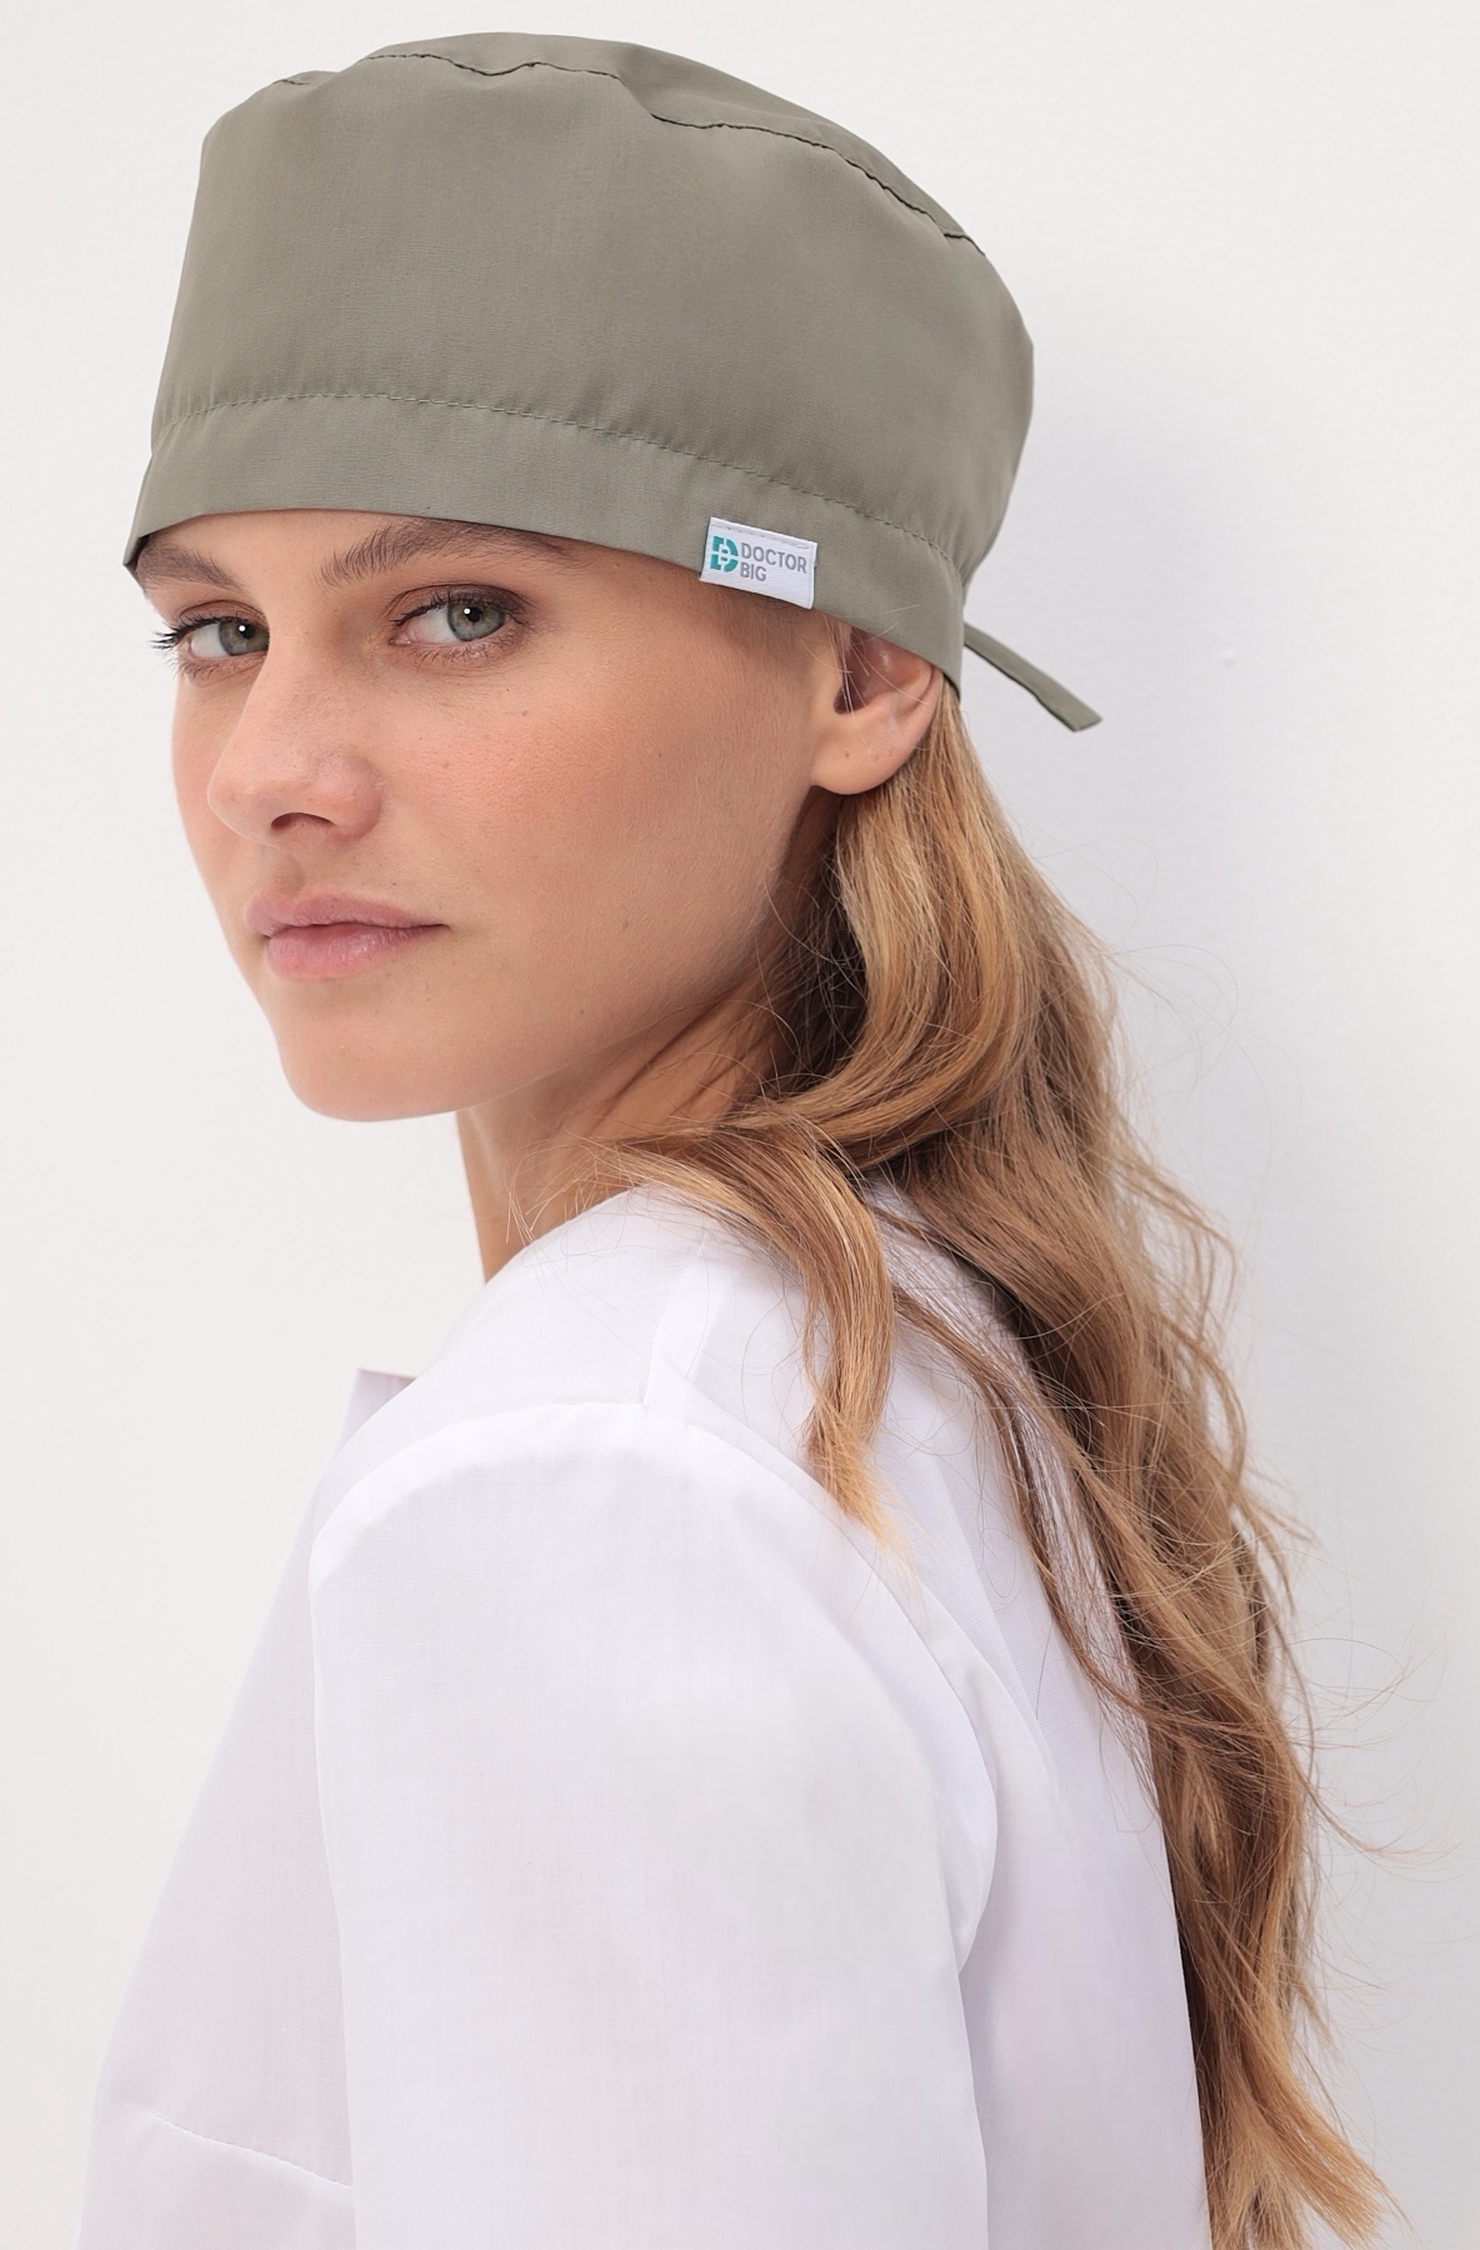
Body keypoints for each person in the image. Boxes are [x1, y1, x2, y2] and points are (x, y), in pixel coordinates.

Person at [75, 33, 1384, 2250]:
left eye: (457, 613)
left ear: (861, 674)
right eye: (217, 631)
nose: (269, 767)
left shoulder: (597, 1477)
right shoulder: (900, 1354)